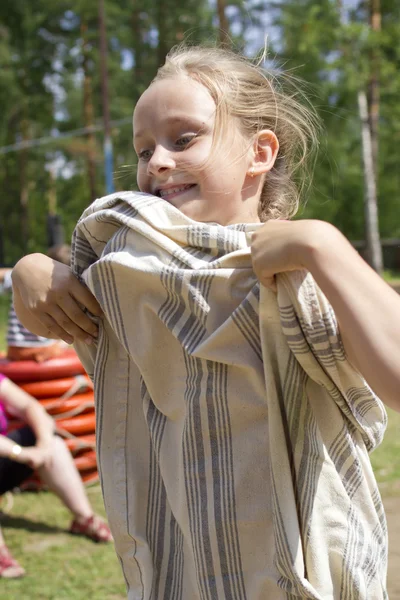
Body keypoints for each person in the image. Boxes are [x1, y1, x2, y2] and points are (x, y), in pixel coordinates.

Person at [9, 44, 400, 598]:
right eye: (144, 149)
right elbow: (66, 286)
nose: (156, 163)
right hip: (183, 571)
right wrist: (32, 269)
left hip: (299, 576)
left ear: (260, 152)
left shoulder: (298, 277)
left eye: (183, 138)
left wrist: (324, 246)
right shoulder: (131, 276)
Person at [0, 372, 112, 578]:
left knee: (54, 444)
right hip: (9, 451)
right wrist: (21, 453)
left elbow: (30, 406)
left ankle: (84, 519)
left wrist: (43, 445)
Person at [5, 245, 71, 363]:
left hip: (14, 350)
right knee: (65, 342)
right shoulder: (62, 288)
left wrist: (17, 269)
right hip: (40, 350)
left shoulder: (20, 275)